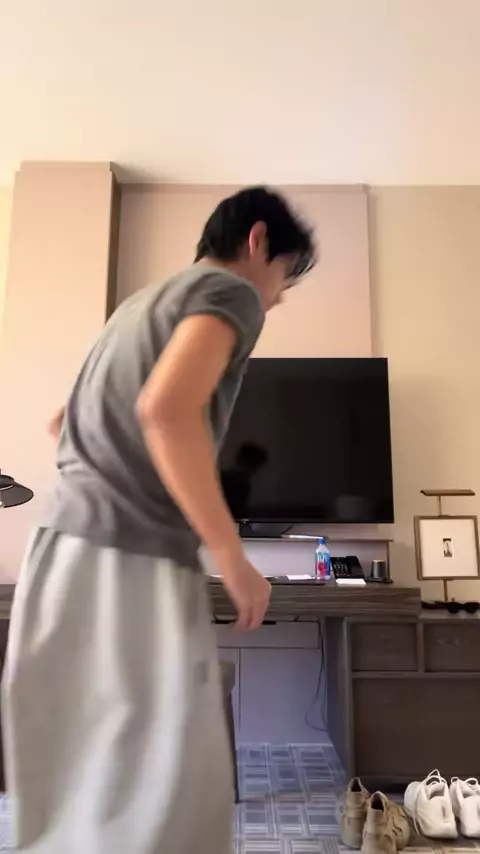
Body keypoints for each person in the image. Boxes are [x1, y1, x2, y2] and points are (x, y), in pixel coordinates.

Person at [2, 186, 316, 854]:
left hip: (58, 553)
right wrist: (231, 556)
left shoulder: (137, 307)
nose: (277, 299)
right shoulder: (230, 292)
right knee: (165, 794)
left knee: (84, 789)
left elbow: (61, 423)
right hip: (131, 559)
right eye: (285, 277)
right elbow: (166, 412)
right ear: (257, 240)